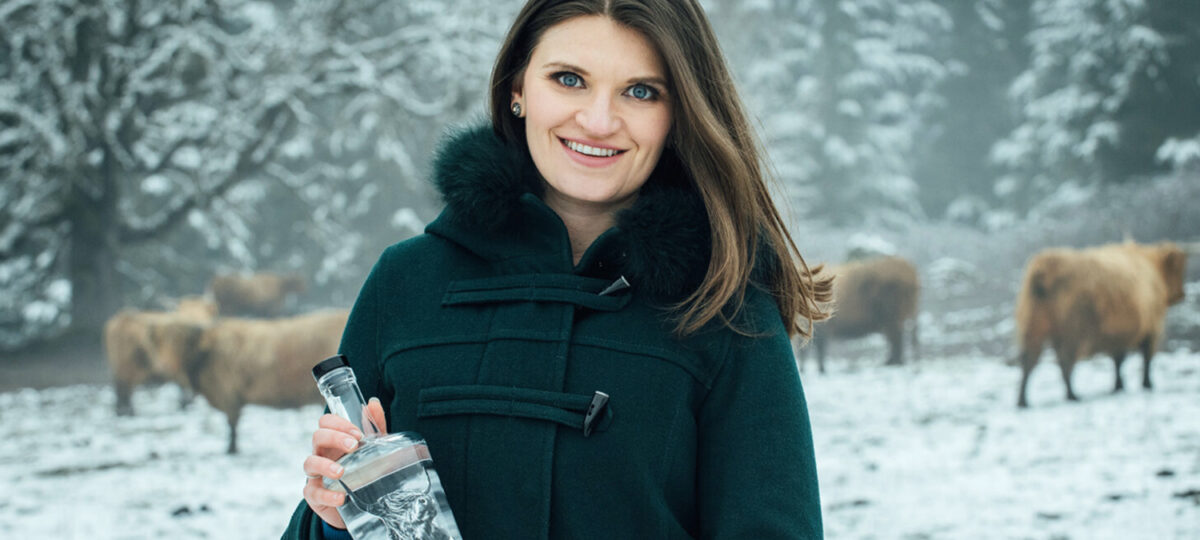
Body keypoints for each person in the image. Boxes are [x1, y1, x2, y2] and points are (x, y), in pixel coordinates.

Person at [283, 0, 832, 538]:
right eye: (569, 79)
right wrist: (332, 519)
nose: (598, 121)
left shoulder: (724, 305)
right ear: (518, 89)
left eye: (640, 91)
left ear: (679, 112)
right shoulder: (404, 282)